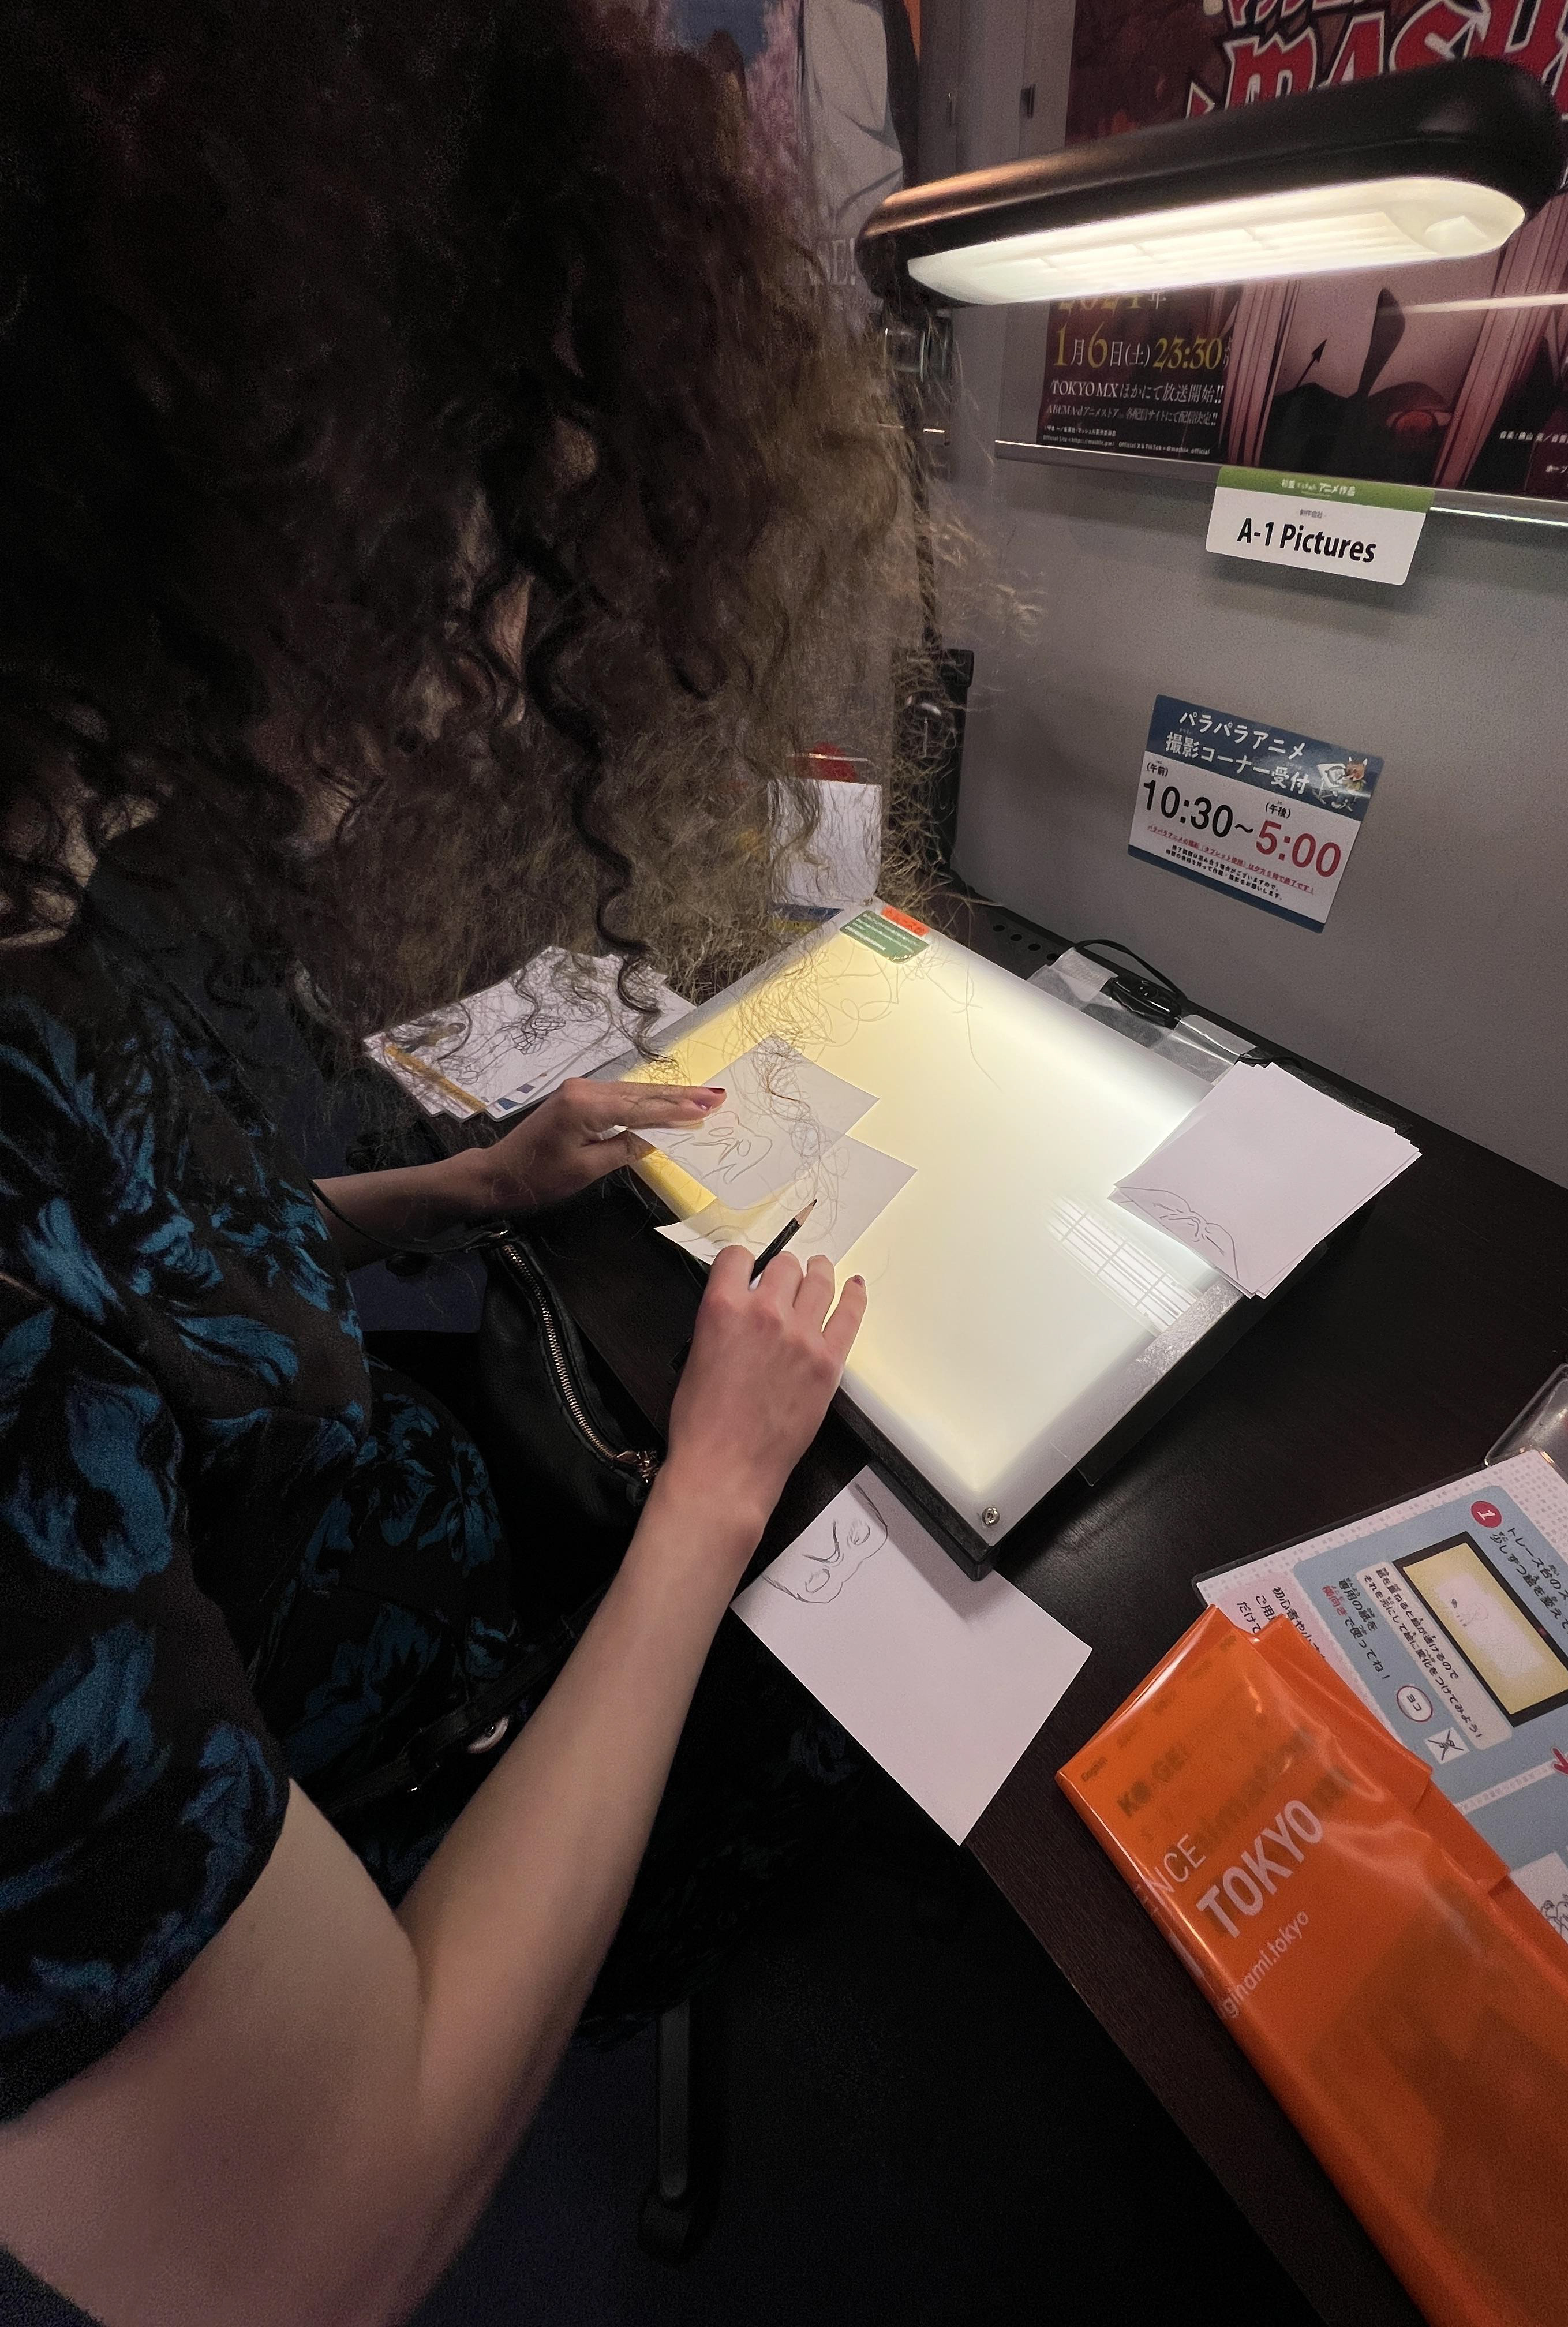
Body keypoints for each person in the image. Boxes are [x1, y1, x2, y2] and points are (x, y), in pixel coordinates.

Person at [0, 3, 918, 2319]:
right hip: (377, 1790)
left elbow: (124, 1270)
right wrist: (709, 1500)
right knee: (869, 1665)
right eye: (490, 541)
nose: (501, 645)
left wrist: (464, 1193)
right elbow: (314, 2241)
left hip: (366, 1540)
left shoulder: (56, 932)